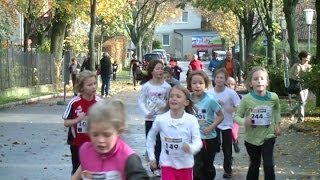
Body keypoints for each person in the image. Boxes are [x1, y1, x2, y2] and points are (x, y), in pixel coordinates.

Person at [71, 99, 149, 180]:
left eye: (107, 135)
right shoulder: (86, 150)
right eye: (95, 134)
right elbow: (84, 167)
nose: (100, 140)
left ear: (119, 131)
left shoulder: (129, 158)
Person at [146, 85, 202, 180]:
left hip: (186, 165)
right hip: (167, 164)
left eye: (178, 96)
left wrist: (191, 148)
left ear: (186, 102)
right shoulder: (161, 119)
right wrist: (152, 157)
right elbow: (150, 138)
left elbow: (198, 141)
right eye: (171, 96)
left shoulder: (191, 120)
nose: (174, 99)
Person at [235, 66, 281, 180]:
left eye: (262, 78)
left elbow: (276, 109)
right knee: (254, 165)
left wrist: (277, 124)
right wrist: (245, 121)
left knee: (268, 165)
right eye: (255, 79)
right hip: (252, 139)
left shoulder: (274, 97)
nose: (259, 81)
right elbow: (236, 117)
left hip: (268, 136)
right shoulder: (246, 99)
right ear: (251, 83)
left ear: (267, 82)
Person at [186, 70, 224, 180]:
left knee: (208, 166)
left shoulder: (210, 100)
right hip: (193, 139)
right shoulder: (188, 99)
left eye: (200, 83)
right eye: (194, 83)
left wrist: (211, 127)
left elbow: (221, 116)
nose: (197, 86)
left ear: (206, 85)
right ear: (190, 85)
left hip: (209, 139)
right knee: (196, 166)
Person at [62, 70, 101, 175]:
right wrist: (77, 120)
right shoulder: (74, 102)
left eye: (94, 83)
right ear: (81, 87)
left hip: (95, 143)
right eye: (89, 85)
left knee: (93, 170)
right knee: (77, 170)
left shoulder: (99, 102)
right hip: (77, 144)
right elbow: (66, 123)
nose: (93, 87)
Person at [138, 60, 171, 176]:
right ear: (152, 71)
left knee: (161, 142)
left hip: (162, 119)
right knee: (151, 141)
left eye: (162, 68)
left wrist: (167, 110)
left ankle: (160, 164)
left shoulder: (167, 87)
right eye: (157, 68)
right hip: (150, 119)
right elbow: (141, 101)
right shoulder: (146, 86)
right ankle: (154, 165)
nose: (160, 71)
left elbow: (170, 102)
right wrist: (146, 112)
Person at [207, 68, 241, 178]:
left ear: (225, 80)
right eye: (217, 77)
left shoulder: (231, 93)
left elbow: (239, 106)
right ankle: (209, 168)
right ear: (214, 79)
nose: (219, 79)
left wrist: (233, 109)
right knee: (213, 147)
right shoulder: (209, 93)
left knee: (227, 148)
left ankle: (227, 170)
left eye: (222, 78)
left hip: (227, 124)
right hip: (214, 123)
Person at [288, 51, 312, 123]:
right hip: (298, 86)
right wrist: (299, 74)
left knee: (303, 102)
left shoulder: (309, 66)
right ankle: (300, 120)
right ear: (302, 57)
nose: (308, 59)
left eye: (309, 58)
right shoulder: (297, 65)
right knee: (301, 102)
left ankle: (292, 112)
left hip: (305, 86)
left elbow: (310, 76)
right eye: (306, 58)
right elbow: (293, 76)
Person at [226, 76, 242, 153]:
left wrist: (234, 109)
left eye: (232, 84)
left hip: (235, 118)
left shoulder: (238, 96)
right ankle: (229, 155)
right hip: (225, 120)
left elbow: (241, 108)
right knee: (227, 138)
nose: (229, 86)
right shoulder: (221, 95)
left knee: (233, 132)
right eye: (228, 84)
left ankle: (235, 141)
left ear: (235, 86)